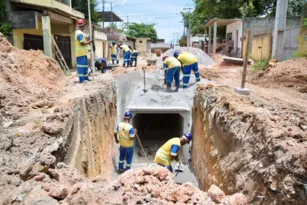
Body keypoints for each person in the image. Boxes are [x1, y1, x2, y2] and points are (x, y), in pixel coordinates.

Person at [75, 19, 92, 83]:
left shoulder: (81, 33)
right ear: (83, 25)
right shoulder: (79, 33)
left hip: (84, 53)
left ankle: (86, 78)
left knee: (85, 66)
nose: (84, 26)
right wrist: (89, 42)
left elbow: (85, 38)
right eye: (84, 25)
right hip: (80, 53)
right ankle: (81, 80)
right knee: (81, 66)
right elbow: (81, 43)